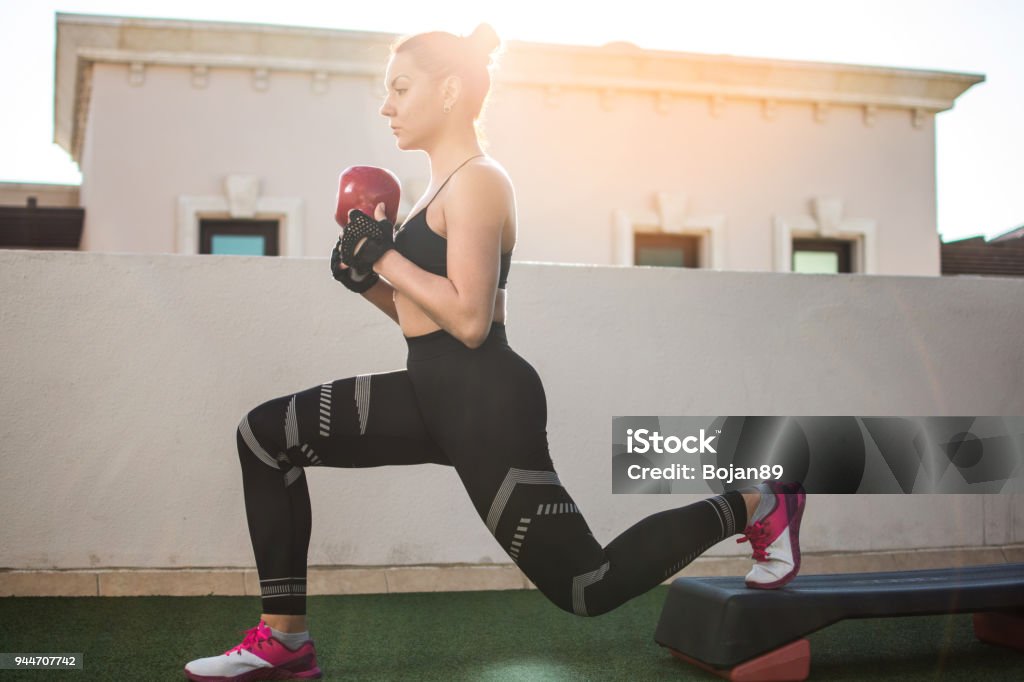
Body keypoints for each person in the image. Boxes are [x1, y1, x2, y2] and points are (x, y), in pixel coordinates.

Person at [184, 23, 806, 682]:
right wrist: (366, 278)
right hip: (431, 391)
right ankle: (285, 642)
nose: (386, 106)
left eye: (400, 88)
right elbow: (422, 318)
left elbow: (472, 321)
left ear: (449, 89)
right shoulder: (433, 191)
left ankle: (756, 502)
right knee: (263, 436)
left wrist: (384, 254)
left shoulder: (481, 181)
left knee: (586, 586)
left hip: (485, 401)